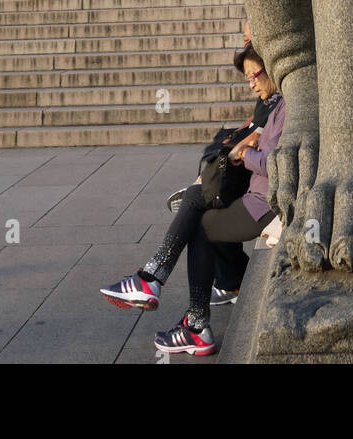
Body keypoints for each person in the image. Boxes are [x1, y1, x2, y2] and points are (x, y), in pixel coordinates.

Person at [99, 47, 284, 356]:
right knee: (198, 202)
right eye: (248, 77)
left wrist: (243, 154)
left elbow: (274, 164)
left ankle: (165, 291)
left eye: (255, 75)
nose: (251, 83)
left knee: (198, 216)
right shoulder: (274, 105)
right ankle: (170, 294)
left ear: (273, 71)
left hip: (261, 206)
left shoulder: (286, 108)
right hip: (256, 197)